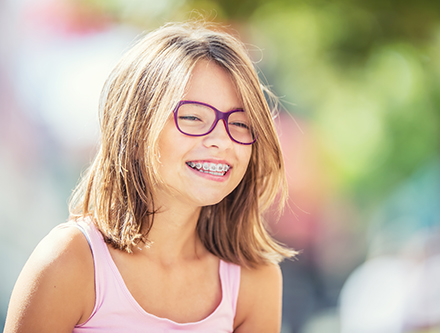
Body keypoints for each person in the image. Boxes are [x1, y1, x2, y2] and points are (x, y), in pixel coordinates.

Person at [4, 21, 296, 332]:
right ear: (137, 130)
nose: (221, 140)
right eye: (193, 117)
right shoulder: (69, 262)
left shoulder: (254, 278)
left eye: (240, 123)